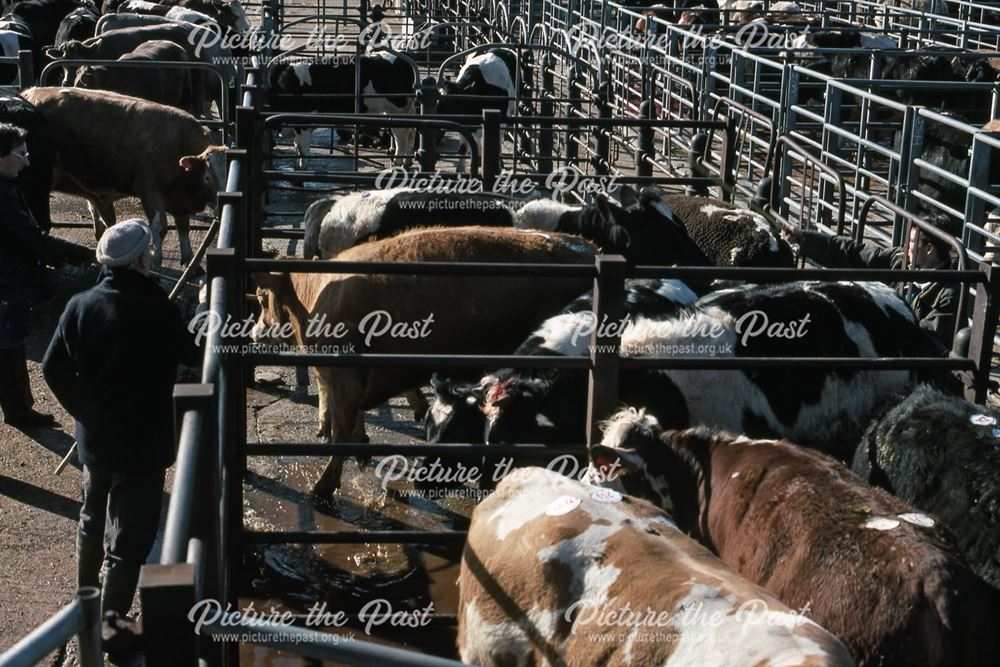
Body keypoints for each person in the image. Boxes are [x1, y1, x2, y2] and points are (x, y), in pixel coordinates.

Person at [42, 220, 201, 621]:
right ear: (143, 260)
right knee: (130, 539)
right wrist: (202, 310)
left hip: (96, 438)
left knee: (92, 516)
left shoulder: (80, 305)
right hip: (143, 443)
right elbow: (194, 353)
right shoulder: (159, 310)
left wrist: (83, 410)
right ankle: (110, 623)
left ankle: (85, 602)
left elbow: (51, 369)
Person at [0, 122, 93, 427]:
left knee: (10, 348)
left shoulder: (7, 186)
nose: (27, 162)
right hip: (5, 281)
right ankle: (18, 412)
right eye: (20, 154)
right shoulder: (3, 194)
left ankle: (18, 408)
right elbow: (33, 238)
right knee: (9, 345)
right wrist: (85, 254)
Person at [784, 215, 959, 348]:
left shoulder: (948, 293)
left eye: (912, 241)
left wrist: (876, 323)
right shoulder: (899, 259)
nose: (907, 246)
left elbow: (924, 338)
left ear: (929, 249)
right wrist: (805, 239)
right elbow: (854, 254)